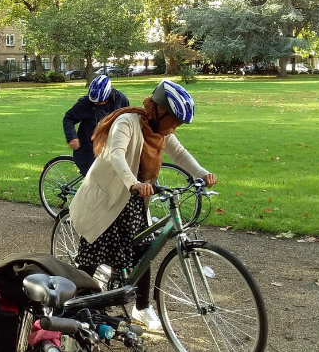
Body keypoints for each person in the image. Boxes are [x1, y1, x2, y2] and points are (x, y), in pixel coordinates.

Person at [68, 80, 217, 331]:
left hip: (134, 202)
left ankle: (142, 307)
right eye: (175, 120)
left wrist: (201, 173)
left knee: (143, 254)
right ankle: (75, 302)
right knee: (94, 252)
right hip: (108, 198)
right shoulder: (127, 122)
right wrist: (134, 182)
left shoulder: (159, 132)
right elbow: (116, 153)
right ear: (160, 112)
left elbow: (179, 153)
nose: (176, 127)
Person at [63, 74, 129, 176]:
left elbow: (127, 120)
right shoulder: (85, 103)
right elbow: (68, 118)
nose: (95, 104)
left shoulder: (121, 100)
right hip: (88, 149)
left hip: (112, 146)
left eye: (99, 102)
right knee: (95, 182)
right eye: (93, 102)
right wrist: (72, 137)